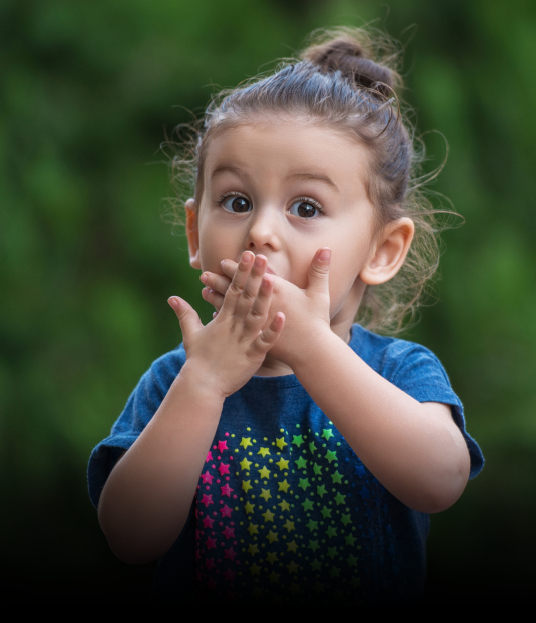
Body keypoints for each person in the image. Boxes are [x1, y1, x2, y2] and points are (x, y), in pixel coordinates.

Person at [88, 26, 483, 605]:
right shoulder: (177, 381)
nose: (262, 230)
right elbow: (129, 536)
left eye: (306, 207)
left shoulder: (398, 370)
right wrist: (203, 384)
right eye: (238, 201)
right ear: (196, 233)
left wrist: (313, 349)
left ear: (382, 250)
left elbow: (440, 480)